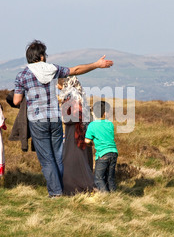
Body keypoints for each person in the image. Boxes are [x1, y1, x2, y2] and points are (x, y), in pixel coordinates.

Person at [13, 40, 113, 198]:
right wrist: (96, 64)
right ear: (41, 56)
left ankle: (56, 193)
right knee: (59, 156)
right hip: (54, 118)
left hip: (37, 120)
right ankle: (65, 188)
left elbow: (17, 101)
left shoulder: (22, 75)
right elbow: (76, 70)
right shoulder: (52, 69)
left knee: (47, 159)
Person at [58, 76, 95, 196]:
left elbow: (71, 115)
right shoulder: (79, 94)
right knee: (83, 156)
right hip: (82, 129)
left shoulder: (71, 94)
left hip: (74, 130)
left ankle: (74, 185)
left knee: (73, 157)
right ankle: (86, 184)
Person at [85, 101, 118, 192]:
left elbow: (87, 140)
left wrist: (91, 144)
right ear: (105, 113)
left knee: (98, 179)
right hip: (114, 152)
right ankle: (114, 197)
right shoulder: (110, 124)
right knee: (110, 178)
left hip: (102, 154)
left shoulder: (92, 125)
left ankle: (106, 197)